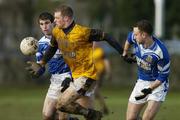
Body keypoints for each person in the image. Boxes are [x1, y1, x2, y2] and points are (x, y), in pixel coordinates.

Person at [26, 5, 124, 120]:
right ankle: (88, 114)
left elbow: (106, 36)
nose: (54, 21)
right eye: (41, 24)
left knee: (66, 109)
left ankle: (91, 113)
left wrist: (123, 53)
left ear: (66, 18)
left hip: (82, 76)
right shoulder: (55, 34)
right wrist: (41, 64)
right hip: (63, 79)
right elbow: (52, 48)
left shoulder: (81, 32)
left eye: (55, 19)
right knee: (50, 113)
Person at [123, 20, 170, 120]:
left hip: (158, 86)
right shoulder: (136, 37)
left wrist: (150, 89)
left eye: (136, 34)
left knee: (146, 118)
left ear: (144, 35)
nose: (134, 36)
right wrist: (125, 52)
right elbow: (128, 39)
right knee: (130, 118)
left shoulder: (161, 52)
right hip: (142, 82)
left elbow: (163, 76)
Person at [35, 12, 79, 120]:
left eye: (47, 23)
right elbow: (41, 65)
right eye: (41, 24)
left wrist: (70, 77)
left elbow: (75, 59)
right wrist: (36, 71)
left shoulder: (64, 38)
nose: (44, 26)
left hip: (67, 79)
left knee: (62, 116)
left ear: (53, 23)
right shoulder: (39, 44)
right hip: (54, 80)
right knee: (47, 115)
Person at [93, 43, 111, 115]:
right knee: (95, 92)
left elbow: (106, 62)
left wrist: (109, 72)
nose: (94, 44)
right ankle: (104, 107)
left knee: (95, 90)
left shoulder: (100, 51)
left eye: (95, 42)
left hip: (99, 74)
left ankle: (95, 109)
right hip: (92, 74)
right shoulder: (90, 51)